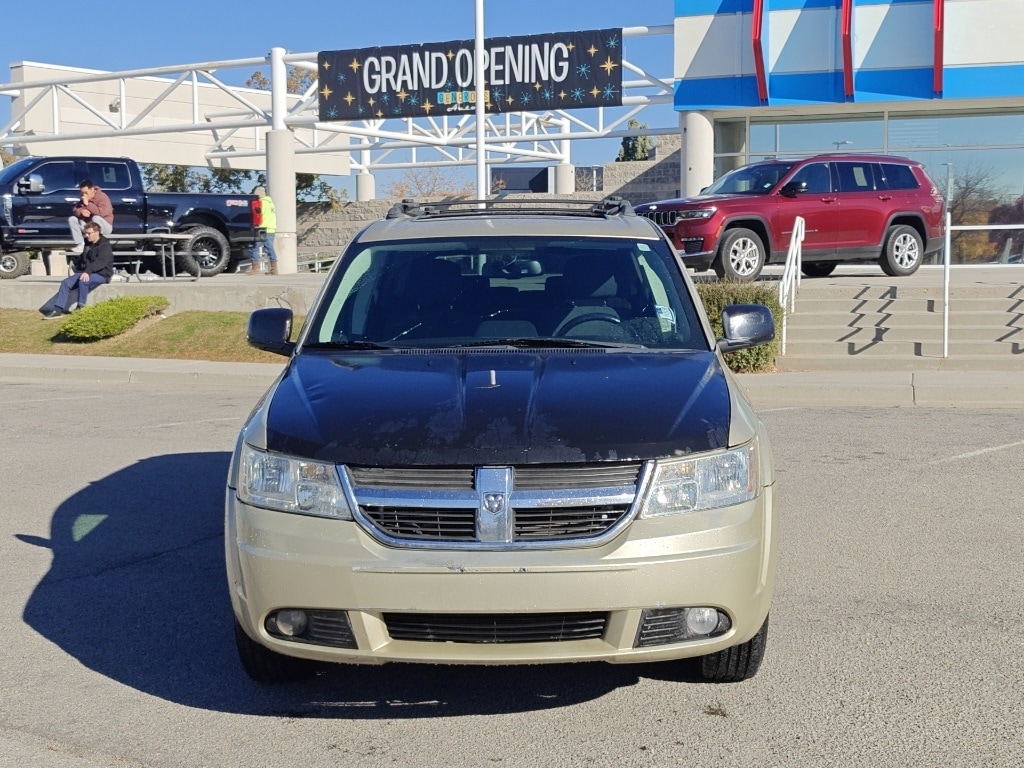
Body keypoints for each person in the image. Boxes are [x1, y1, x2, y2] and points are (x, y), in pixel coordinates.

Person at [44, 221, 114, 318]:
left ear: (97, 232)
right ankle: (57, 310)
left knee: (83, 281)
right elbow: (84, 258)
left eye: (89, 233)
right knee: (66, 282)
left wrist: (87, 272)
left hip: (102, 274)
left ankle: (81, 307)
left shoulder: (105, 246)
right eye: (86, 233)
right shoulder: (87, 243)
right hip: (86, 272)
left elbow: (101, 262)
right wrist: (79, 267)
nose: (87, 235)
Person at [68, 180, 114, 255]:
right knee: (72, 219)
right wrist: (81, 212)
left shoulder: (103, 197)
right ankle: (80, 244)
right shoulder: (83, 198)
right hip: (90, 227)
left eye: (86, 193)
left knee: (95, 218)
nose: (84, 195)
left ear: (92, 190)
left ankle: (98, 243)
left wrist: (88, 204)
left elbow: (101, 213)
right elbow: (75, 210)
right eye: (82, 193)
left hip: (104, 226)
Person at [249, 186, 278, 275]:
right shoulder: (271, 203)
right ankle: (274, 269)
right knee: (270, 249)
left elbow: (257, 215)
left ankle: (255, 268)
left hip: (263, 228)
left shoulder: (261, 203)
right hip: (271, 229)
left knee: (254, 247)